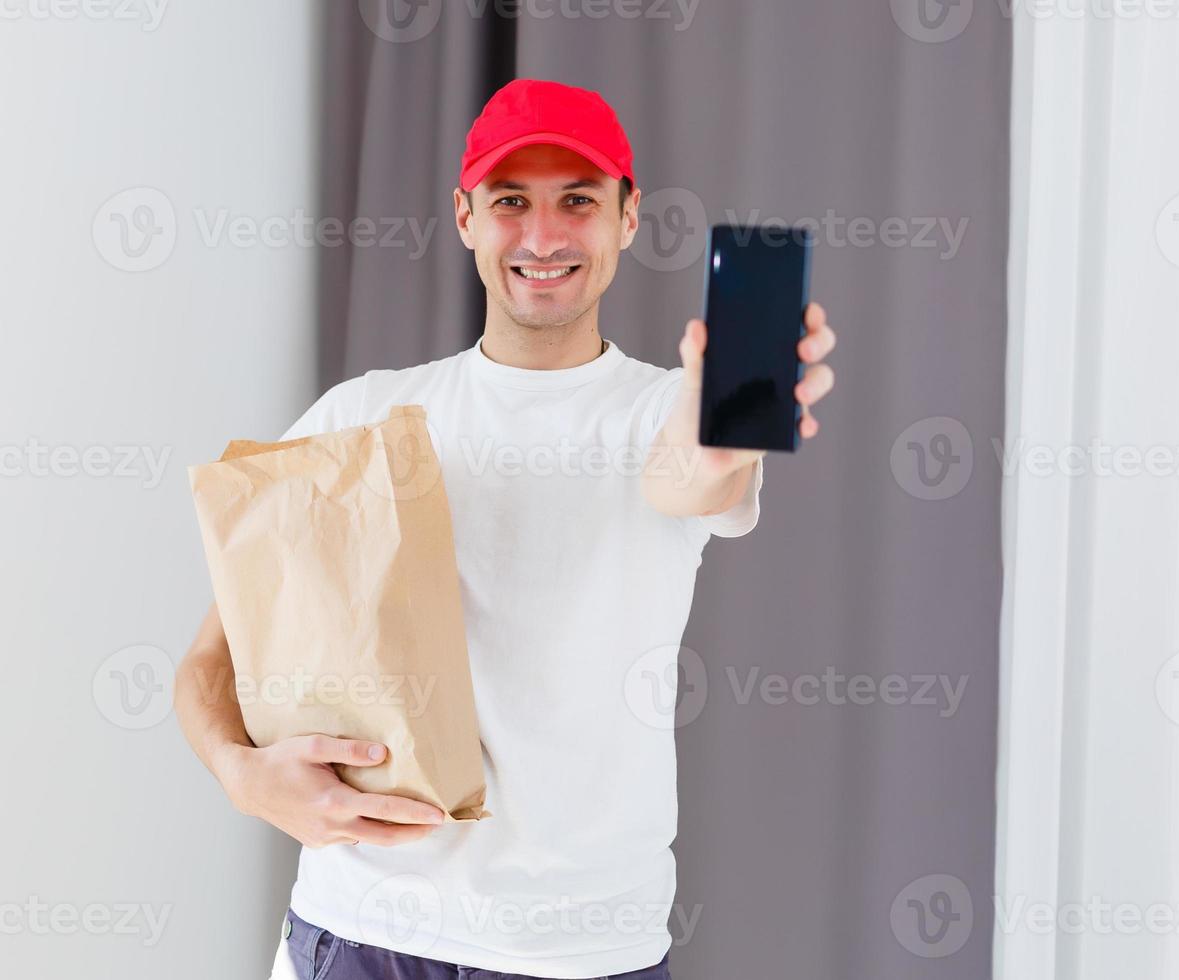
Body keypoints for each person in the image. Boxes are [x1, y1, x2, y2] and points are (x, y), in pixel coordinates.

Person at [173, 78, 837, 980]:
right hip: (360, 933)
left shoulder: (659, 414)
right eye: (511, 201)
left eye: (578, 201)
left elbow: (691, 475)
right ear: (464, 217)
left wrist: (722, 435)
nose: (543, 235)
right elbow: (211, 660)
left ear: (629, 218)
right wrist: (242, 776)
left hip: (580, 951)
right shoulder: (363, 412)